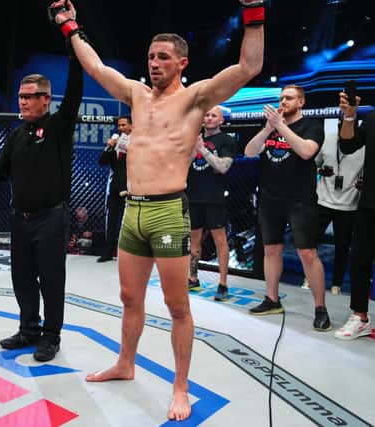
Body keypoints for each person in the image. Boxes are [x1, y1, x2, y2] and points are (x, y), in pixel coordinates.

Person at [53, 0, 264, 420]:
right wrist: (70, 27)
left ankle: (180, 386)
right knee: (129, 296)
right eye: (151, 57)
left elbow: (248, 67)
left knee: (178, 306)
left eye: (163, 57)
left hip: (168, 211)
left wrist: (255, 9)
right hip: (133, 210)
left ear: (182, 63)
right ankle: (125, 363)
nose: (154, 63)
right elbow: (96, 67)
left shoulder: (195, 98)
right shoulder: (136, 94)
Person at [0, 26, 83, 362]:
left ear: (45, 99)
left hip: (51, 217)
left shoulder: (59, 125)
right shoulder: (17, 134)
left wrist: (72, 43)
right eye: (20, 96)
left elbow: (75, 90)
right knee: (22, 278)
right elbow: (0, 167)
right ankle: (28, 330)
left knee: (51, 280)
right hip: (20, 219)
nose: (23, 101)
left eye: (29, 97)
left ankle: (51, 337)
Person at [244, 85, 331, 330]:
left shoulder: (312, 124)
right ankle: (272, 299)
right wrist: (267, 128)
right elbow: (250, 152)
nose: (283, 101)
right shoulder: (271, 127)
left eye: (289, 98)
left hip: (300, 200)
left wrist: (280, 127)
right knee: (271, 250)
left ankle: (320, 307)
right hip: (270, 199)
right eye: (281, 98)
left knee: (307, 253)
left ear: (301, 102)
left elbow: (306, 152)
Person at [335, 90, 374, 340]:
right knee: (359, 260)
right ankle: (360, 316)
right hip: (370, 203)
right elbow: (348, 145)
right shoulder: (371, 118)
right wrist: (349, 118)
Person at [187, 106, 237, 300]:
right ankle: (193, 278)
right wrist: (194, 150)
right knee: (194, 242)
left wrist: (203, 151)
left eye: (213, 115)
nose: (208, 118)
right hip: (194, 196)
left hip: (215, 197)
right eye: (206, 115)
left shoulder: (227, 140)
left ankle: (223, 284)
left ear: (221, 120)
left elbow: (223, 167)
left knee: (220, 242)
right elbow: (184, 166)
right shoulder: (194, 139)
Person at [315, 119, 364, 295]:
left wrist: (363, 182)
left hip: (349, 204)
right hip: (323, 199)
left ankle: (336, 285)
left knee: (342, 248)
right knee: (311, 243)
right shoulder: (328, 138)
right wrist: (321, 171)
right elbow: (315, 162)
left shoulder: (363, 144)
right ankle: (309, 279)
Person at [97, 115, 131, 263]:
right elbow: (102, 162)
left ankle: (126, 255)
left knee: (128, 223)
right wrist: (109, 146)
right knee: (111, 220)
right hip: (114, 188)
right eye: (119, 125)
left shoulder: (137, 142)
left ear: (131, 126)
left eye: (124, 125)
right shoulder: (115, 143)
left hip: (130, 188)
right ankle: (108, 252)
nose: (121, 128)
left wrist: (127, 148)